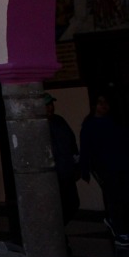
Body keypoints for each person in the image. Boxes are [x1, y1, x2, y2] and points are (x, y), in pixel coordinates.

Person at [79, 94, 129, 247]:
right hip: (104, 167)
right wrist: (85, 168)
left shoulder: (114, 122)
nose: (104, 106)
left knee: (122, 196)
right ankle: (119, 229)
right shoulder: (89, 125)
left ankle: (118, 224)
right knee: (115, 197)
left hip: (120, 164)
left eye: (106, 103)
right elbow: (85, 148)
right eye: (100, 103)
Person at [45, 92, 79, 225]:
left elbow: (72, 144)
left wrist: (76, 165)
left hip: (66, 171)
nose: (50, 108)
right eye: (46, 105)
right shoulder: (37, 126)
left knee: (72, 204)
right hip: (53, 174)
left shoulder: (59, 121)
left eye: (51, 104)